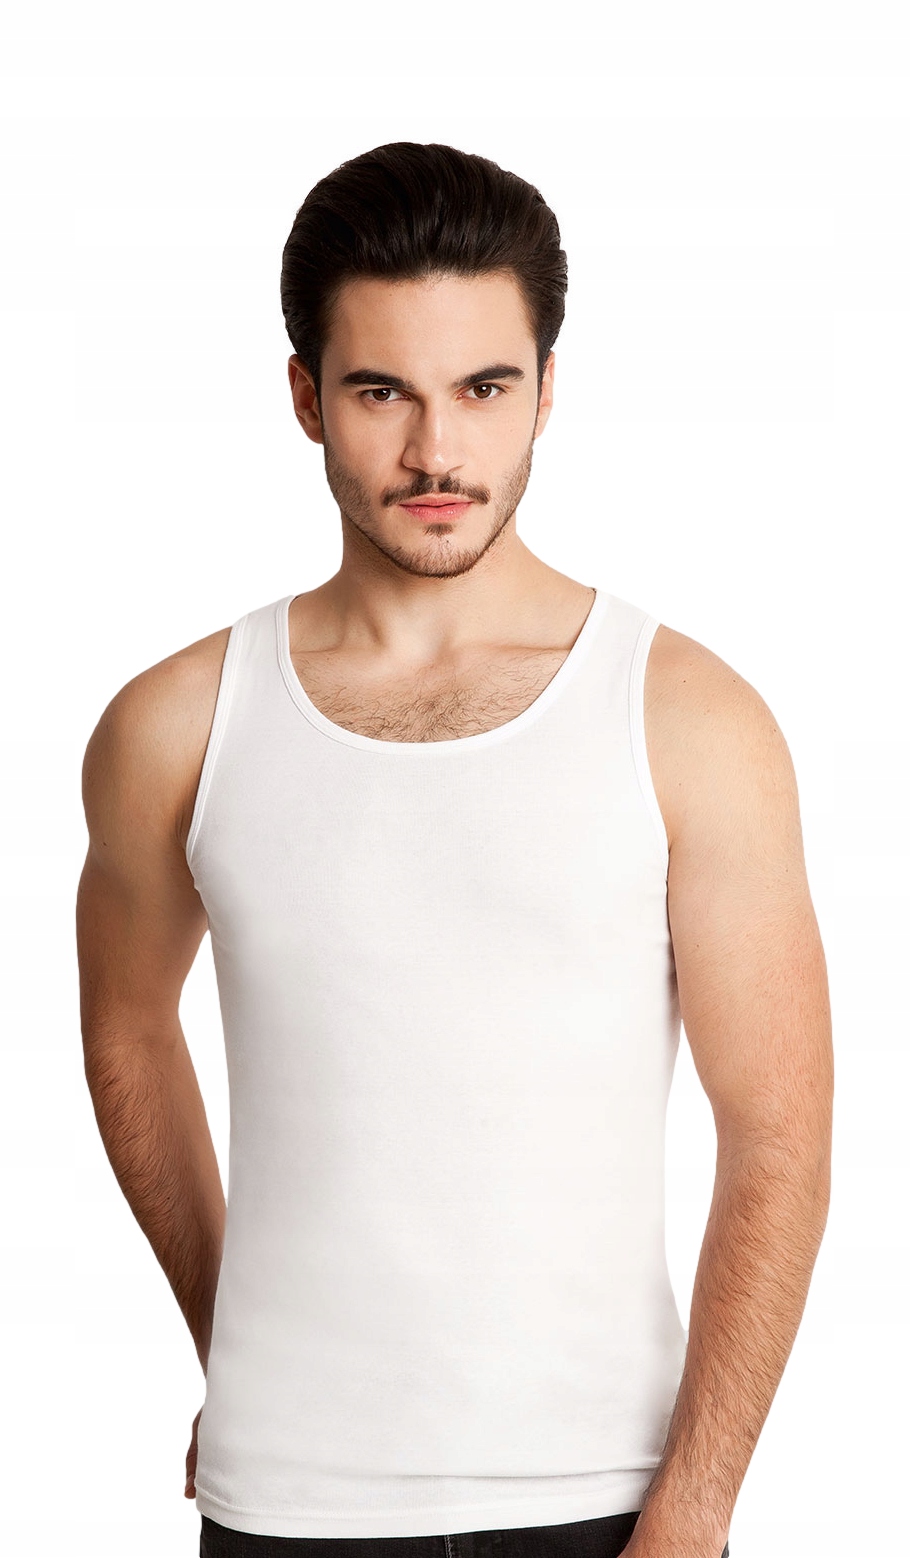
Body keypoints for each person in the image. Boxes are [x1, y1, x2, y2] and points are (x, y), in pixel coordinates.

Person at [76, 142, 833, 1558]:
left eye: (484, 388)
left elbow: (778, 1137)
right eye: (383, 392)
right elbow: (126, 1030)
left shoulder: (687, 719)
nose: (437, 453)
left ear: (547, 389)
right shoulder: (175, 725)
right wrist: (233, 1342)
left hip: (606, 1497)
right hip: (281, 1503)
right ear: (305, 397)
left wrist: (695, 1510)